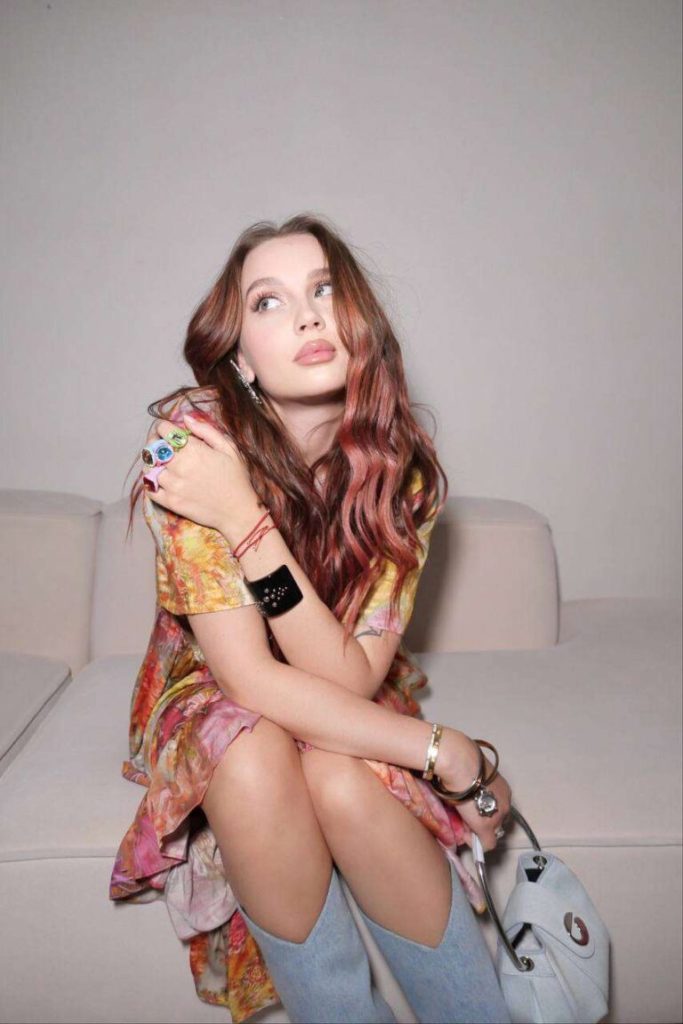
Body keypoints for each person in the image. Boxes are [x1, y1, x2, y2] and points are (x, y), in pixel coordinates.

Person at [109, 213, 513, 1024]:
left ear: (360, 318)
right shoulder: (191, 448)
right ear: (238, 357)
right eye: (268, 301)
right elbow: (248, 679)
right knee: (249, 751)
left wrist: (246, 524)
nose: (305, 317)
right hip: (216, 687)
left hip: (332, 676)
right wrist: (444, 751)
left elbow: (350, 680)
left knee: (339, 774)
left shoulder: (401, 472)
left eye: (324, 289)